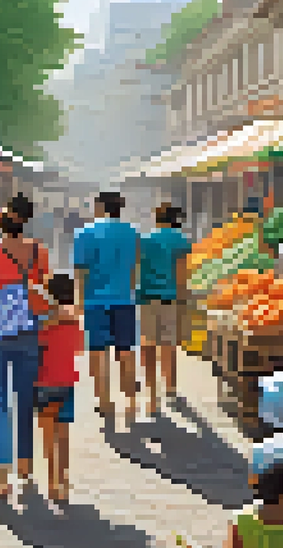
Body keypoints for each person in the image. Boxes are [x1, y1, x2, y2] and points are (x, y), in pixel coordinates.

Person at [0, 194, 48, 497]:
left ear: (9, 218)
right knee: (26, 398)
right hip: (30, 326)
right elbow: (44, 287)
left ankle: (0, 475)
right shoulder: (38, 251)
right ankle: (25, 465)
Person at [73, 192, 141, 420]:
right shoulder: (132, 232)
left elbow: (81, 270)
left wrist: (79, 301)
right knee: (125, 350)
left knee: (98, 351)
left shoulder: (84, 233)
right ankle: (130, 400)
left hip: (95, 301)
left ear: (101, 206)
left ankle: (104, 401)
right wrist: (129, 291)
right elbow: (134, 268)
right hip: (124, 299)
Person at [138, 203, 192, 415]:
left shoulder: (144, 240)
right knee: (168, 343)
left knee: (147, 343)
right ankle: (170, 387)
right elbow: (181, 273)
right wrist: (183, 299)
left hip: (146, 296)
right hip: (169, 298)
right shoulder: (179, 240)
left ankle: (151, 387)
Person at [36, 273, 82, 503]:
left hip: (44, 381)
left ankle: (51, 482)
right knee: (62, 435)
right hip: (67, 381)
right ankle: (63, 481)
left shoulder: (42, 321)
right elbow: (80, 348)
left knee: (47, 435)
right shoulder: (74, 321)